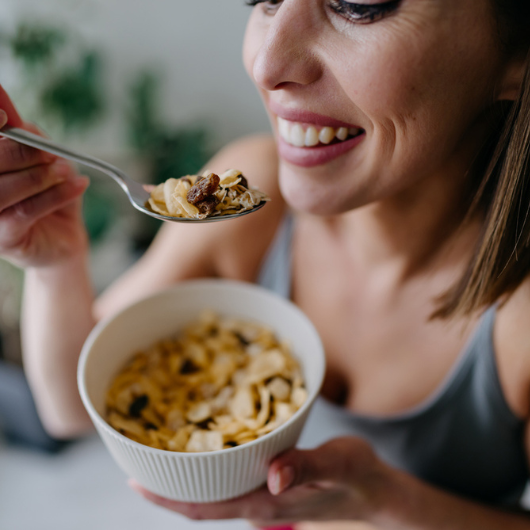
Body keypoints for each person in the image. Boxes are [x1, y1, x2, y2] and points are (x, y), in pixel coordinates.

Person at [1, 0, 530, 528]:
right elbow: (72, 407)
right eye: (265, 0)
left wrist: (382, 500)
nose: (266, 64)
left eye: (359, 5)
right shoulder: (250, 197)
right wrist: (55, 262)